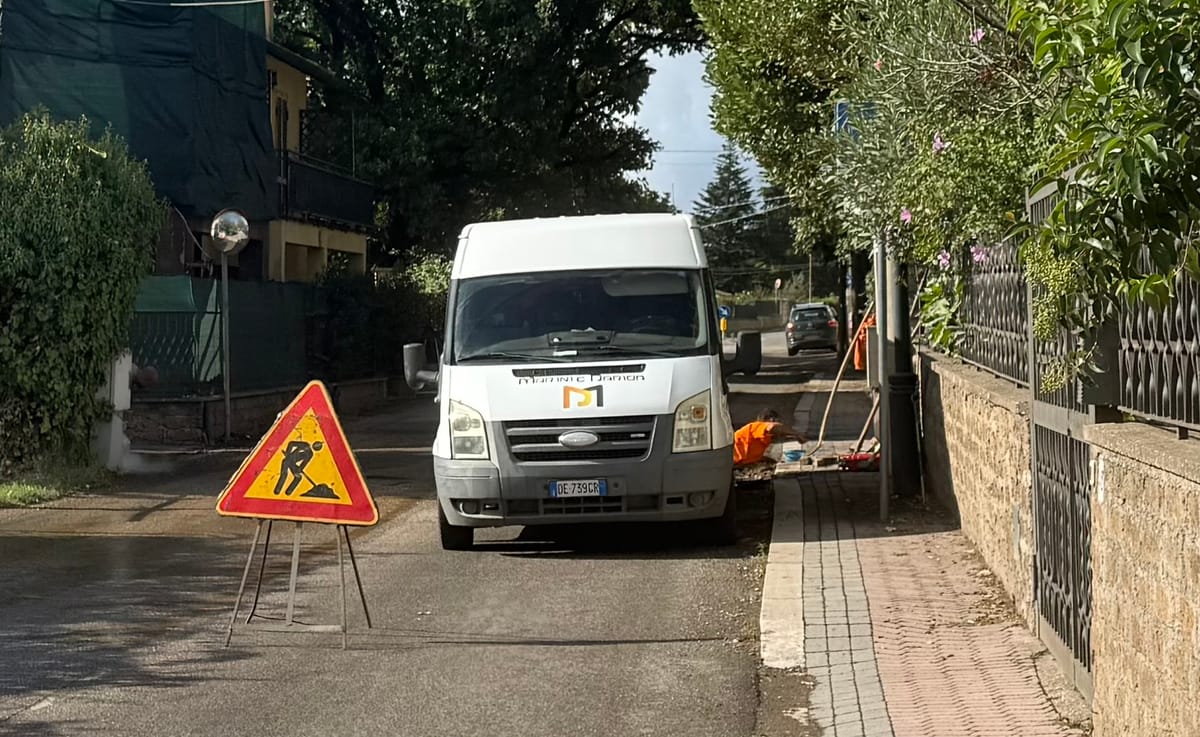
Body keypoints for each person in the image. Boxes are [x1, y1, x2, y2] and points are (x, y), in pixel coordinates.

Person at [733, 408, 806, 466]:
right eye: (778, 422)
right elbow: (772, 427)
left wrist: (771, 461)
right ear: (771, 420)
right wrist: (797, 433)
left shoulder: (760, 437)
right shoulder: (758, 426)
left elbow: (752, 455)